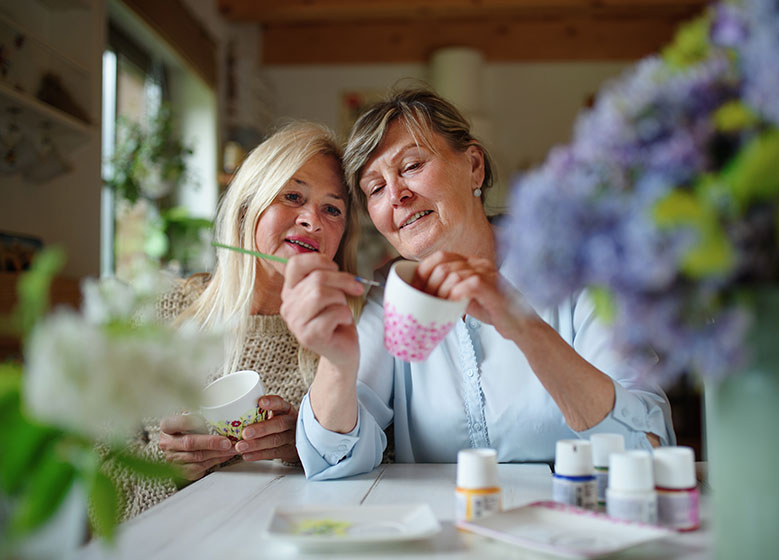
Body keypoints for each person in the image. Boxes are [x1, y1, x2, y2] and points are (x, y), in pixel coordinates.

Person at [281, 89, 676, 480]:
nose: (397, 196)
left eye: (412, 166)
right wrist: (337, 363)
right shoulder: (391, 296)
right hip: (445, 535)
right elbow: (331, 460)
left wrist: (523, 325)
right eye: (376, 188)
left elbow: (646, 446)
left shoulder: (579, 269)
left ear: (474, 166)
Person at [115, 121, 363, 519]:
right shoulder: (158, 312)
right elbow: (90, 469)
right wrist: (168, 474)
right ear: (247, 207)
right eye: (293, 195)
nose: (312, 220)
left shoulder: (343, 339)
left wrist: (306, 448)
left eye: (332, 209)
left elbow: (373, 467)